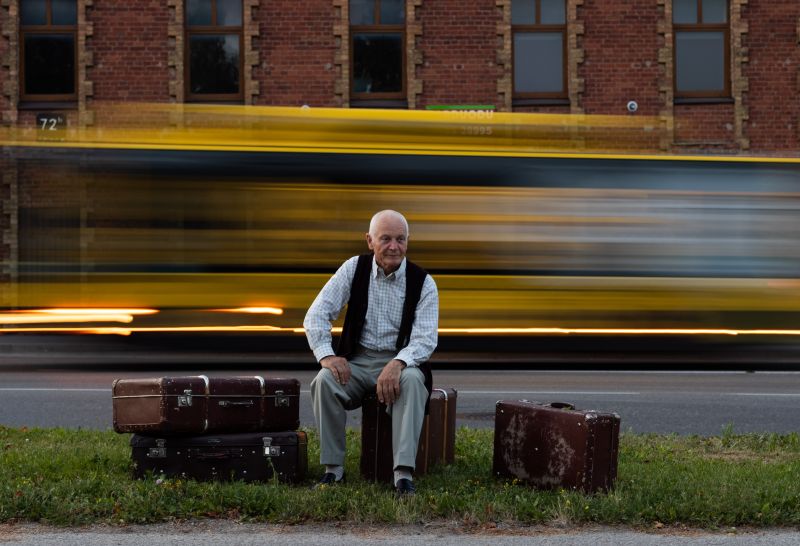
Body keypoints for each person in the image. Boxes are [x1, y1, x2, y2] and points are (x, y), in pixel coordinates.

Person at [304, 210, 439, 496]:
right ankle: (333, 471)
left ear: (408, 242)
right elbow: (316, 314)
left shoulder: (423, 282)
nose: (394, 246)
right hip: (358, 361)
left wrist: (399, 362)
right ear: (369, 240)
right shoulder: (353, 269)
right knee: (323, 382)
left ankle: (403, 475)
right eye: (386, 238)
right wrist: (328, 356)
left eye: (400, 239)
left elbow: (426, 339)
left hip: (400, 362)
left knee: (415, 382)